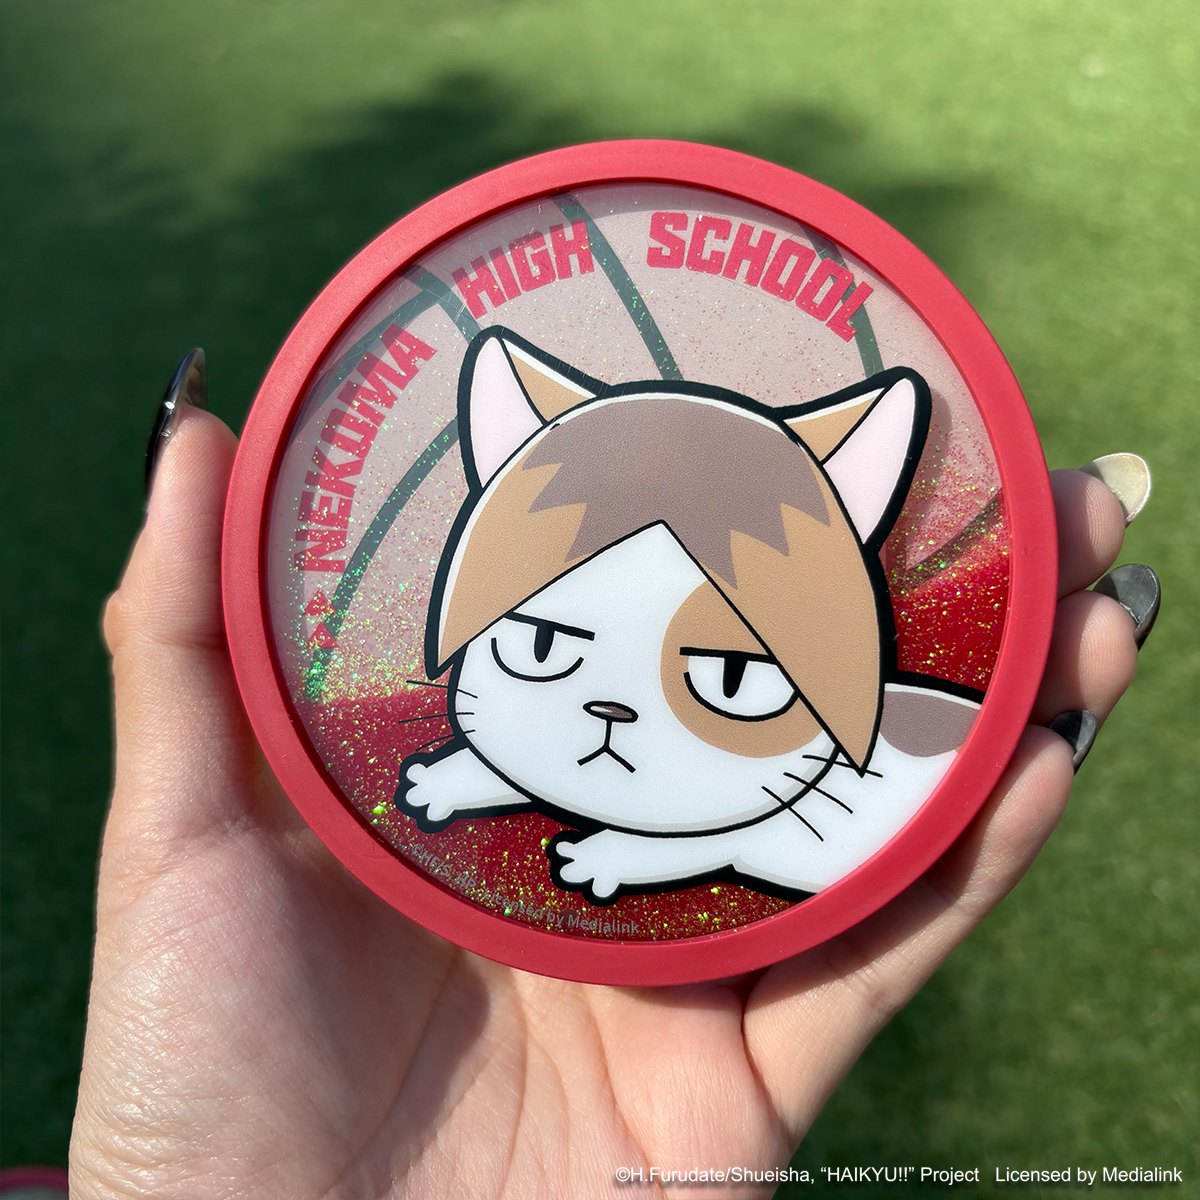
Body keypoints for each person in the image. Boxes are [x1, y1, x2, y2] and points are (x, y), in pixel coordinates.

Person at [67, 371, 1155, 1199]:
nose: (612, 718)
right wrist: (472, 780)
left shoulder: (803, 785)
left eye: (727, 677)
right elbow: (550, 759)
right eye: (541, 647)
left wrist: (629, 855)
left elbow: (728, 828)